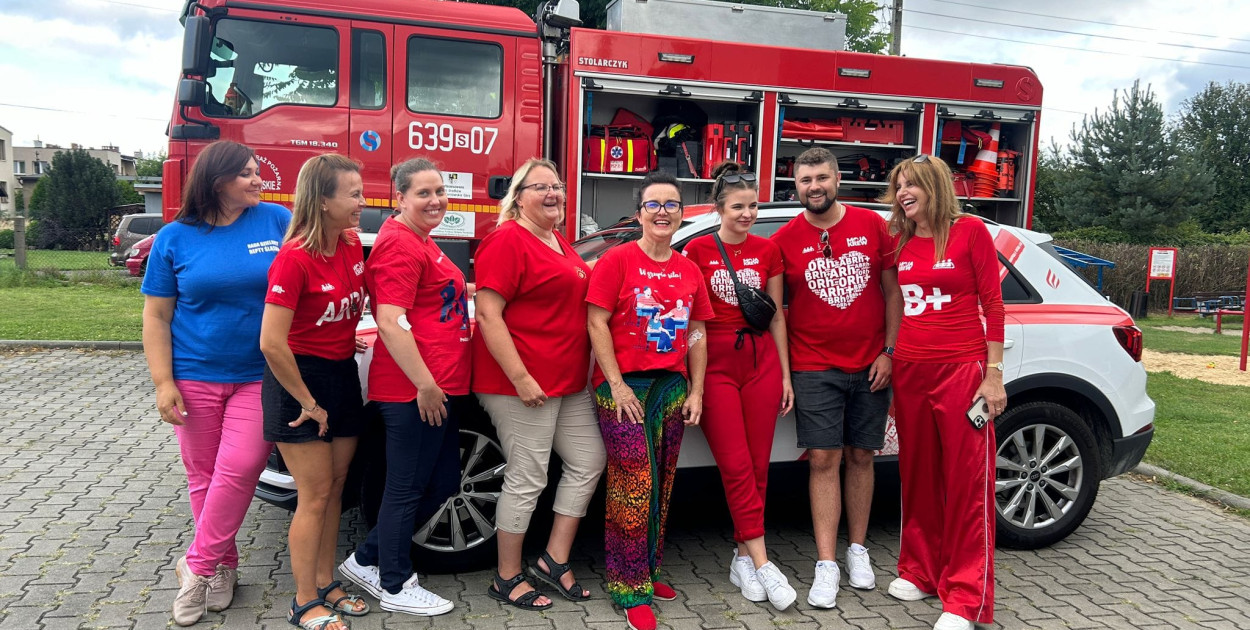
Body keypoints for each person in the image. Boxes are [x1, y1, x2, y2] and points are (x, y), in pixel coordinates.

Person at [141, 140, 291, 626]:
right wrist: (163, 382)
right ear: (216, 181)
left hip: (258, 373)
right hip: (194, 374)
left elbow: (308, 277)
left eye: (256, 172)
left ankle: (198, 566)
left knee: (241, 467)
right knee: (203, 476)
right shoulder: (174, 238)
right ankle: (224, 566)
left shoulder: (275, 220)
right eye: (246, 174)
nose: (257, 180)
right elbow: (157, 317)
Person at [770, 147, 902, 608]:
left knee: (863, 456)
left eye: (822, 177)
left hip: (871, 364)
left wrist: (889, 351)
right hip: (813, 366)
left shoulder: (873, 226)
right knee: (823, 459)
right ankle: (826, 563)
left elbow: (893, 293)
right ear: (795, 184)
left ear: (837, 179)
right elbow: (776, 311)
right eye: (805, 180)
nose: (814, 187)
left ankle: (858, 551)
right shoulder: (785, 239)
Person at [472, 159, 605, 610]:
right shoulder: (508, 238)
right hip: (522, 385)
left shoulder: (555, 239)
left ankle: (553, 559)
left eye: (558, 186)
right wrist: (521, 376)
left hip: (565, 383)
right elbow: (488, 314)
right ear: (519, 195)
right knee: (528, 477)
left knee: (589, 459)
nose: (553, 194)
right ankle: (506, 577)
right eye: (541, 187)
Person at [336, 158, 467, 617]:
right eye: (423, 194)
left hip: (437, 384)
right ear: (400, 198)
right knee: (406, 487)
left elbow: (434, 301)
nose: (435, 201)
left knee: (443, 482)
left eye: (439, 191)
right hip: (412, 390)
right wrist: (425, 385)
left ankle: (367, 559)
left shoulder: (421, 240)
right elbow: (391, 323)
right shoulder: (399, 245)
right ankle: (394, 582)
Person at [881, 154, 1005, 630]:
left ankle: (965, 598)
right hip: (912, 370)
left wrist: (993, 374)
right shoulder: (902, 242)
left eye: (912, 184)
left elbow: (993, 307)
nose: (903, 193)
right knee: (918, 476)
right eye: (898, 186)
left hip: (962, 371)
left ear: (935, 186)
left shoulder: (971, 232)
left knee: (966, 484)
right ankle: (920, 570)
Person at [586, 171, 714, 630]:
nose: (663, 212)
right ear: (639, 212)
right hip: (624, 388)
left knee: (662, 480)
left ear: (681, 214)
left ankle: (649, 569)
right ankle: (627, 586)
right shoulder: (617, 261)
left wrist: (696, 389)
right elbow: (596, 323)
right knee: (633, 482)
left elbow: (697, 331)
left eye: (672, 204)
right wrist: (616, 385)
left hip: (671, 387)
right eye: (654, 204)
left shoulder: (689, 269)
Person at [258, 154, 370, 630]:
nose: (363, 202)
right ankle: (304, 600)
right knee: (315, 494)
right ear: (323, 201)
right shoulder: (294, 258)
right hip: (299, 385)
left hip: (342, 372)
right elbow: (270, 342)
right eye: (354, 194)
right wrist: (308, 403)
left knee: (337, 490)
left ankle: (326, 582)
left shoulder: (348, 244)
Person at [682, 162, 797, 610]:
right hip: (715, 365)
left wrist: (786, 374)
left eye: (752, 205)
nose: (747, 214)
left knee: (758, 465)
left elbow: (777, 315)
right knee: (734, 465)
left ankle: (742, 555)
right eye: (738, 207)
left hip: (762, 362)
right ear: (719, 208)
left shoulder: (769, 250)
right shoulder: (696, 250)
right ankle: (765, 561)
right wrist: (695, 379)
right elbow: (692, 320)